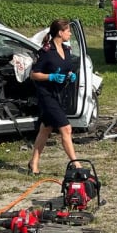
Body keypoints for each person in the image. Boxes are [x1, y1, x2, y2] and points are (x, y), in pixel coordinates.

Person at [28, 19, 81, 175]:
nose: (70, 33)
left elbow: (67, 69)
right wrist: (50, 77)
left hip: (61, 94)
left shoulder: (67, 49)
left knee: (46, 129)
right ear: (60, 32)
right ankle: (76, 163)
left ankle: (34, 163)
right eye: (68, 31)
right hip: (47, 95)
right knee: (66, 128)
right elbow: (34, 74)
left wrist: (70, 76)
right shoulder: (46, 52)